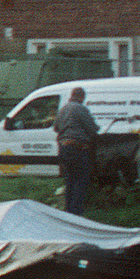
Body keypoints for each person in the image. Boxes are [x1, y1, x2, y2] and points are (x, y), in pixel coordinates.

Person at [54, 84, 100, 216]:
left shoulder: (62, 110)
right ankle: (77, 212)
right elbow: (92, 129)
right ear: (82, 97)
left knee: (70, 179)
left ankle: (68, 212)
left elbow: (56, 128)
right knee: (81, 179)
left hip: (63, 148)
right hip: (78, 148)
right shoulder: (81, 109)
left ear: (71, 96)